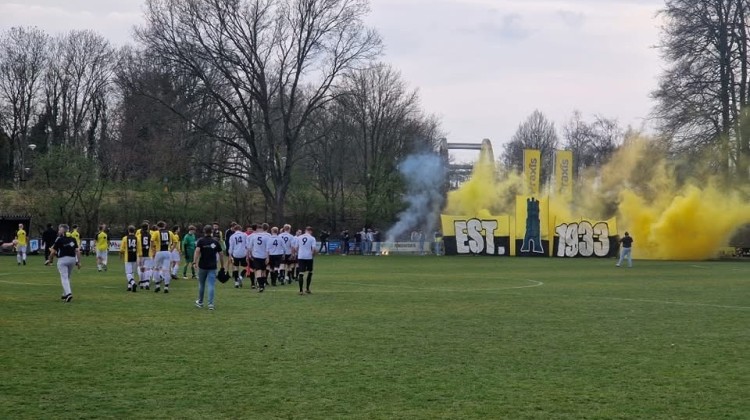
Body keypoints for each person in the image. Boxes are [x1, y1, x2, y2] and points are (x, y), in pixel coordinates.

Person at [193, 225, 226, 311]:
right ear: (211, 231)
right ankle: (210, 304)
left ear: (204, 231)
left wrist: (194, 262)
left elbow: (197, 251)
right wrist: (222, 266)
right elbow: (221, 254)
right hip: (212, 266)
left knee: (201, 284)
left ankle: (200, 302)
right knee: (211, 285)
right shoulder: (215, 242)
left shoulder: (201, 241)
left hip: (202, 265)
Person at [46, 224, 80, 303]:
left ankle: (68, 294)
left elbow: (53, 252)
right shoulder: (73, 239)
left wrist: (50, 260)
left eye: (59, 230)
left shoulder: (59, 239)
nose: (58, 231)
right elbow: (77, 251)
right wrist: (78, 262)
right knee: (68, 277)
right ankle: (65, 293)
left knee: (64, 277)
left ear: (63, 231)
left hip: (63, 260)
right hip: (72, 259)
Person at [151, 221, 176, 293]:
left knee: (156, 269)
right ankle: (166, 287)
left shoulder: (156, 233)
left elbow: (152, 241)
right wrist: (171, 250)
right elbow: (175, 241)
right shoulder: (170, 233)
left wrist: (153, 249)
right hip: (167, 252)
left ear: (158, 226)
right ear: (164, 226)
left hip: (159, 252)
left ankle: (157, 286)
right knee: (166, 270)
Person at [247, 223, 271, 292]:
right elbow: (268, 248)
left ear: (257, 229)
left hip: (256, 256)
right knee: (263, 270)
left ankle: (260, 285)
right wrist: (268, 257)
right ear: (262, 229)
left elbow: (249, 247)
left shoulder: (253, 236)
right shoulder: (266, 237)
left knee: (258, 270)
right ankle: (262, 284)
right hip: (264, 256)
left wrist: (250, 255)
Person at [296, 226, 317, 295]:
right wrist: (313, 255)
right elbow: (313, 249)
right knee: (310, 272)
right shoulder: (312, 238)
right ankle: (307, 288)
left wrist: (298, 253)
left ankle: (301, 290)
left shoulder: (299, 237)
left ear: (305, 230)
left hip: (301, 256)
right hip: (308, 257)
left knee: (301, 273)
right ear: (310, 231)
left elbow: (296, 247)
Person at [228, 224, 249, 288]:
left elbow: (231, 247)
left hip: (235, 253)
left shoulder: (232, 236)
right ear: (241, 229)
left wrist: (230, 255)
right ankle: (241, 276)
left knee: (236, 267)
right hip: (243, 253)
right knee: (246, 267)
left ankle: (236, 282)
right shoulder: (244, 235)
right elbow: (247, 244)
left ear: (234, 229)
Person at [120, 225, 139, 292]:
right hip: (135, 257)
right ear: (134, 231)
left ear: (128, 230)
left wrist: (121, 255)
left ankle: (133, 283)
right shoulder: (137, 238)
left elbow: (122, 249)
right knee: (132, 272)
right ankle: (129, 286)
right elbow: (139, 249)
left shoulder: (125, 238)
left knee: (128, 273)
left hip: (127, 257)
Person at [135, 222, 153, 290]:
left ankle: (142, 283)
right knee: (148, 269)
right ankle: (147, 283)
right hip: (148, 253)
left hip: (141, 254)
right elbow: (152, 244)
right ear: (147, 227)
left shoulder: (139, 236)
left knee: (141, 268)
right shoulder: (150, 235)